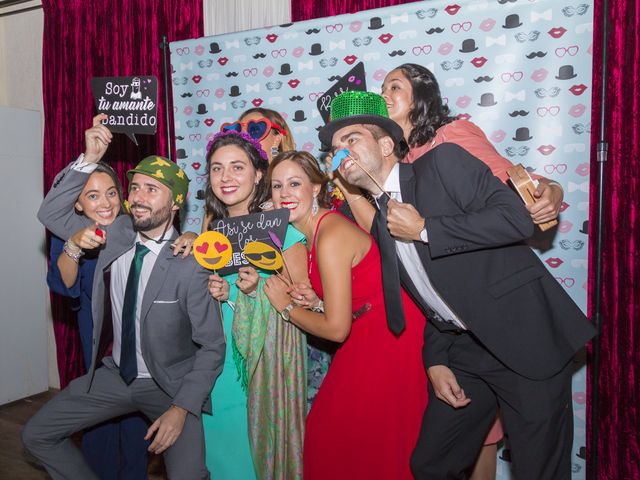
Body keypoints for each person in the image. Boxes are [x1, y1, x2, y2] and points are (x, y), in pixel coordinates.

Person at [319, 91, 596, 480]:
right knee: (432, 465)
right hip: (465, 349)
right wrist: (435, 358)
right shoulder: (381, 218)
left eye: (351, 139)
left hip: (524, 337)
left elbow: (517, 219)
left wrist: (426, 229)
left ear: (385, 144)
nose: (340, 152)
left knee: (539, 471)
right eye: (333, 148)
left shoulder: (441, 164)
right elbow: (435, 297)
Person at [23, 115, 225, 480]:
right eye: (136, 188)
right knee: (37, 435)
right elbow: (49, 214)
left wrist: (181, 408)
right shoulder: (113, 234)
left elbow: (212, 347)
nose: (139, 197)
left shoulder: (189, 262)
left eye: (153, 189)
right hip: (115, 376)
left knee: (190, 475)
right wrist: (87, 159)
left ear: (176, 203)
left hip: (168, 387)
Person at [263, 150, 427, 479]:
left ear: (316, 189)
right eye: (277, 186)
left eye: (295, 183)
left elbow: (336, 330)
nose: (284, 194)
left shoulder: (330, 233)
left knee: (338, 439)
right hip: (368, 332)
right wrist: (316, 301)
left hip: (390, 339)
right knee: (344, 443)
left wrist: (287, 307)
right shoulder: (312, 234)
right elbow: (352, 294)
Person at [202, 130, 308, 479]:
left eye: (237, 167)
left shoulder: (284, 232)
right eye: (217, 169)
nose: (226, 177)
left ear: (259, 173)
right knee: (216, 456)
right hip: (214, 362)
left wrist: (251, 291)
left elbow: (302, 304)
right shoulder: (211, 236)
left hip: (260, 368)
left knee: (252, 457)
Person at [46, 159, 150, 479]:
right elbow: (64, 284)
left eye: (110, 193)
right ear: (77, 202)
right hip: (100, 352)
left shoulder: (135, 227)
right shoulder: (67, 233)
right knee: (100, 431)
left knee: (136, 432)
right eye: (92, 196)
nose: (105, 203)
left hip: (139, 352)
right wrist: (74, 246)